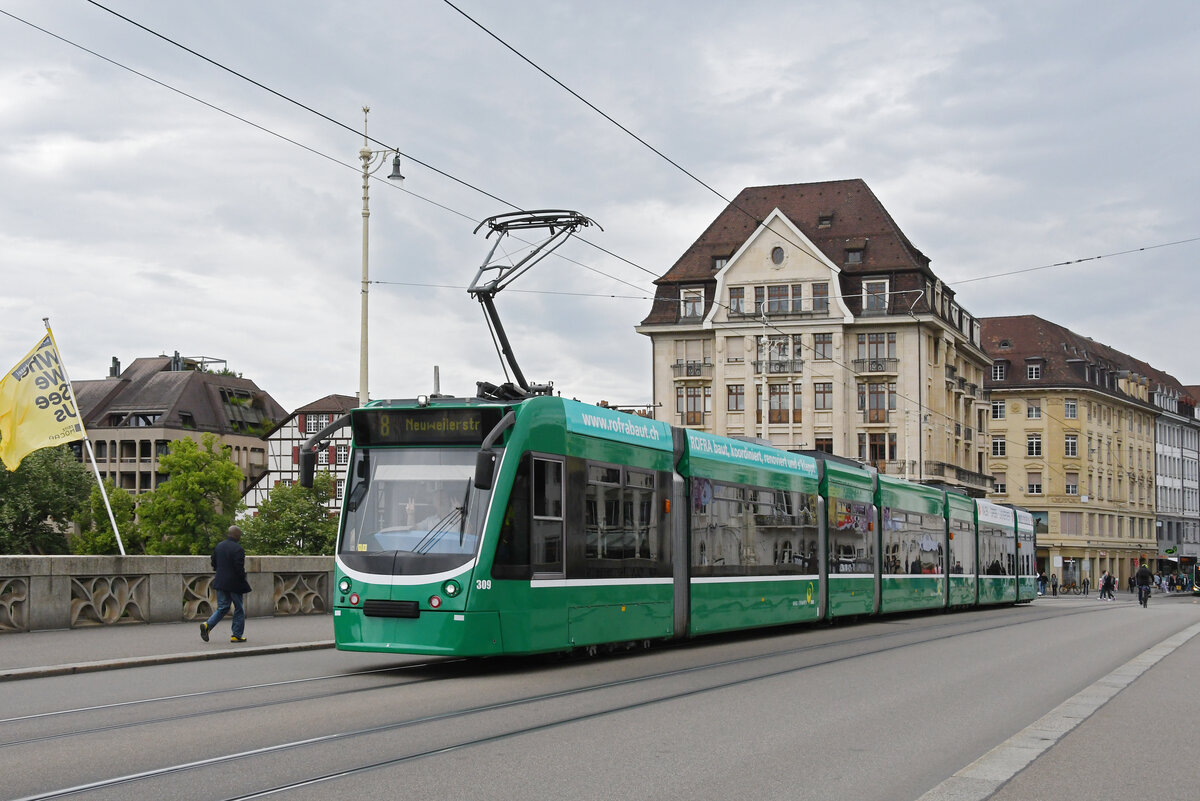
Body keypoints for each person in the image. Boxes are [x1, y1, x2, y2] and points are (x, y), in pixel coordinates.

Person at [201, 525, 252, 643]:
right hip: (234, 583)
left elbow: (213, 562)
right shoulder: (238, 549)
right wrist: (242, 579)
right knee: (239, 608)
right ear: (237, 535)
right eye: (240, 535)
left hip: (220, 581)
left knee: (223, 607)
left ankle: (207, 625)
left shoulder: (219, 546)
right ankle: (236, 635)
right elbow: (239, 568)